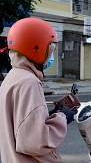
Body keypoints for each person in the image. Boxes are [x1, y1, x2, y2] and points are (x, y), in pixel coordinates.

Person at [0, 17, 77, 162]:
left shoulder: (12, 77)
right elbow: (34, 143)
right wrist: (62, 118)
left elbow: (22, 123)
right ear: (36, 48)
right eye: (51, 49)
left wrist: (47, 116)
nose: (51, 56)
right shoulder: (29, 82)